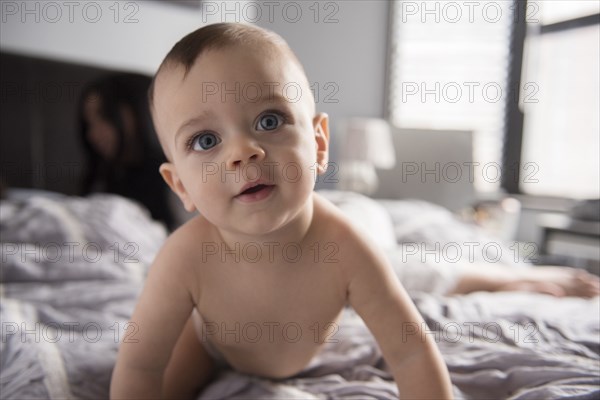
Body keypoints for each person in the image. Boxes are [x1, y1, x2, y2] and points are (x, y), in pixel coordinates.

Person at [110, 23, 454, 399]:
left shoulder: (346, 247)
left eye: (269, 120)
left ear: (319, 144)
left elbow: (411, 353)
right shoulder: (184, 257)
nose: (243, 152)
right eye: (206, 141)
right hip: (210, 346)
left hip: (309, 350)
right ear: (180, 186)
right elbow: (140, 364)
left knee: (425, 271)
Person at [78, 73, 176, 230]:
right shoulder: (102, 179)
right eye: (89, 124)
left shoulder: (172, 175)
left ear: (136, 111)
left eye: (104, 116)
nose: (93, 134)